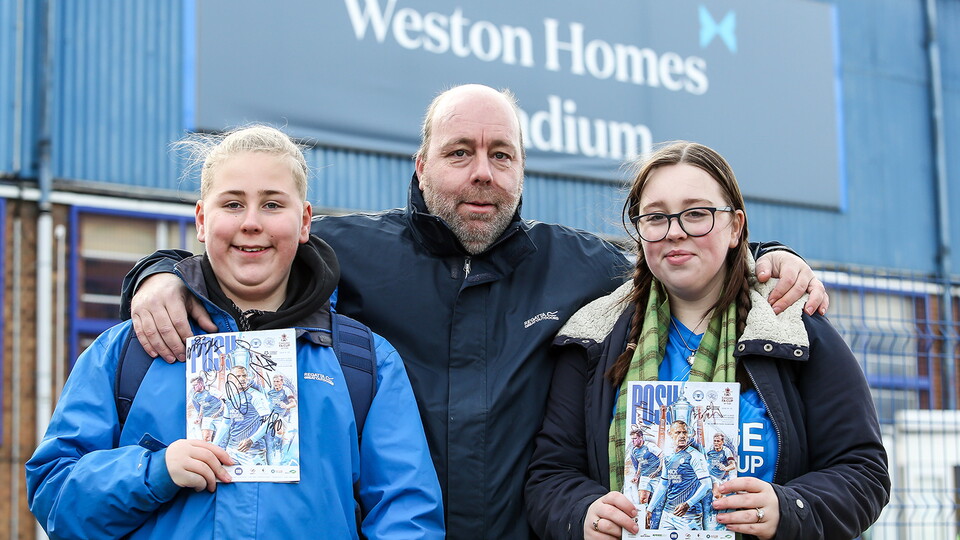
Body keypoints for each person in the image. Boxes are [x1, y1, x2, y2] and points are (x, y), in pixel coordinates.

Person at [118, 85, 829, 538]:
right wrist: (160, 273)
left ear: (522, 170)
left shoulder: (579, 265)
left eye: (501, 155)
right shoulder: (347, 251)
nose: (482, 173)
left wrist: (770, 255)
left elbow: (679, 251)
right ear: (421, 166)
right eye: (459, 153)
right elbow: (250, 251)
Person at [25, 125, 444, 539]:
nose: (251, 222)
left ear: (304, 222)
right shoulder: (128, 350)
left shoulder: (364, 361)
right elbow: (54, 496)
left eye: (272, 204)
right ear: (202, 220)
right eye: (232, 204)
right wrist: (154, 471)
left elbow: (406, 516)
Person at [524, 141, 889, 540]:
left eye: (697, 214)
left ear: (735, 227)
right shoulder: (594, 336)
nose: (675, 232)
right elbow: (550, 476)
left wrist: (789, 508)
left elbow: (863, 471)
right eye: (656, 217)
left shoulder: (789, 324)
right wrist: (583, 514)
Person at [645, 420, 711, 530]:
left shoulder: (695, 456)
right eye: (678, 432)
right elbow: (663, 485)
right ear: (670, 434)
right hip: (668, 514)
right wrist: (650, 509)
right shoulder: (668, 455)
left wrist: (688, 504)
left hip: (689, 516)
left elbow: (707, 485)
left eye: (684, 432)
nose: (682, 436)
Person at [189, 376, 224, 442]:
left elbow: (224, 401)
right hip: (207, 418)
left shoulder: (211, 390)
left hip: (219, 417)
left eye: (195, 385)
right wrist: (199, 418)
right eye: (192, 386)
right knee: (206, 438)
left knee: (221, 438)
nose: (193, 387)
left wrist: (218, 412)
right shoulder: (195, 396)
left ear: (201, 384)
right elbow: (202, 406)